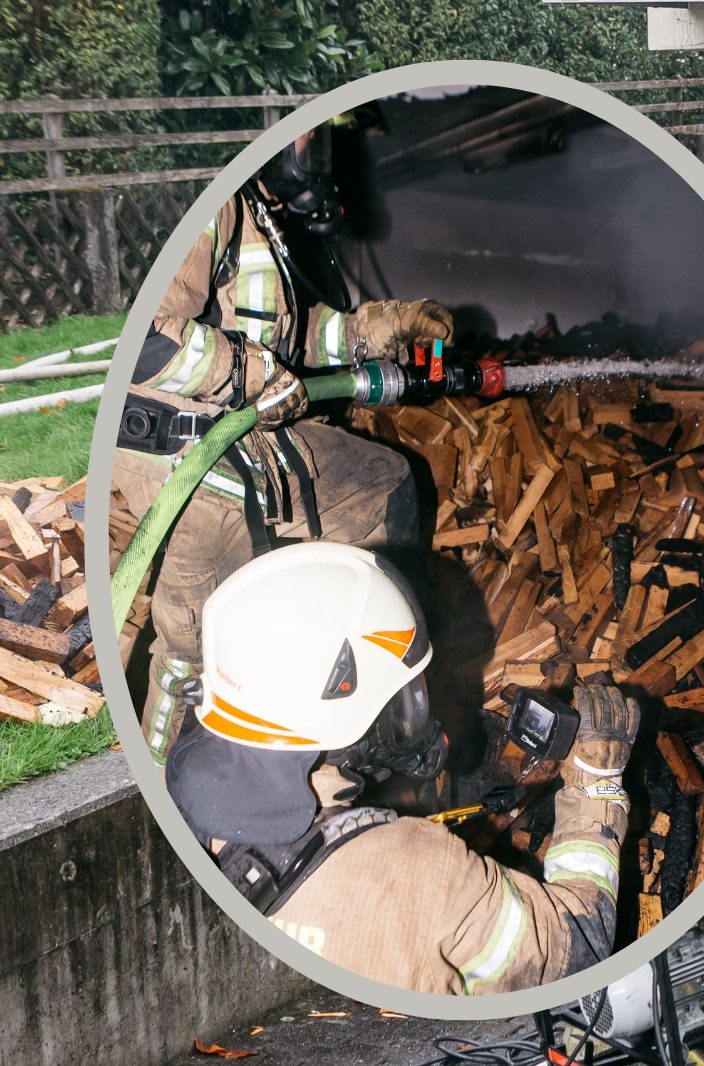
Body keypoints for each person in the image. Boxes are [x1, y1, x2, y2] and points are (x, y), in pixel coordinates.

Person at [112, 124, 454, 764]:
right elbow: (148, 342)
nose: (318, 164)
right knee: (198, 652)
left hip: (248, 444)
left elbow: (291, 341)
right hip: (187, 461)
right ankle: (158, 782)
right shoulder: (212, 206)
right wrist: (249, 375)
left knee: (384, 482)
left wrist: (383, 327)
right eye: (308, 145)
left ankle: (373, 684)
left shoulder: (257, 218)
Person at [165, 541, 636, 994]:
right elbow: (576, 951)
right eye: (404, 698)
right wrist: (598, 787)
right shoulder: (423, 874)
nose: (417, 714)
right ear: (337, 707)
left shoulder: (183, 794)